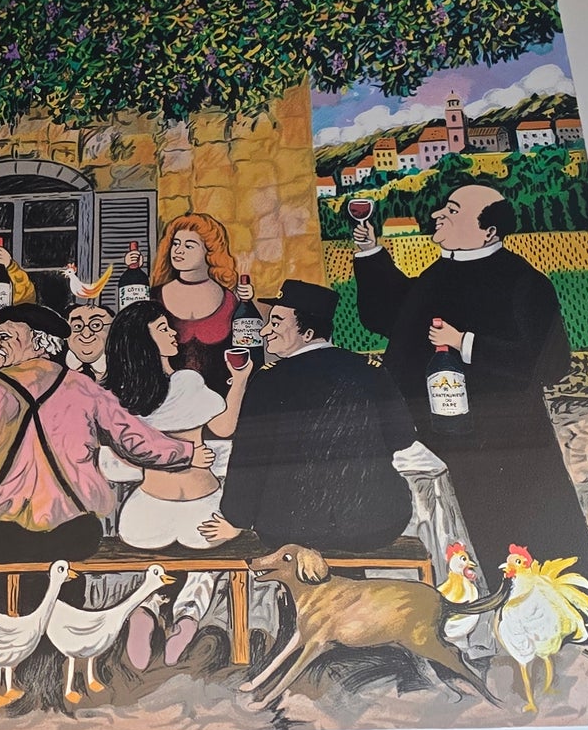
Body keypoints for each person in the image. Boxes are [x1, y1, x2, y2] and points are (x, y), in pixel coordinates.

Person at [351, 183, 588, 641]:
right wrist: (370, 251)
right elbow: (386, 316)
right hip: (432, 433)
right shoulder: (439, 273)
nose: (438, 215)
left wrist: (465, 343)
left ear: (489, 230)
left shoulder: (523, 281)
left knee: (523, 529)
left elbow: (552, 362)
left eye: (453, 210)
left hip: (503, 437)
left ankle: (567, 626)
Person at [0, 303, 206, 564]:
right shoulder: (83, 388)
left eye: (5, 337)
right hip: (72, 533)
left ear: (40, 342)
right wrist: (187, 452)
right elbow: (134, 440)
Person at [201, 280, 417, 555]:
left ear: (308, 332)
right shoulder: (370, 370)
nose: (265, 331)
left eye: (276, 323)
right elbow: (403, 436)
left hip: (288, 531)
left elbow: (249, 459)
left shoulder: (268, 380)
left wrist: (236, 520)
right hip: (375, 525)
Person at [100, 302, 252, 667]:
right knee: (204, 568)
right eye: (163, 328)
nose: (173, 334)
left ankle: (147, 608)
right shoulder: (186, 382)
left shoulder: (121, 397)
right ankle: (188, 616)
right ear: (144, 340)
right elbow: (224, 427)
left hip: (146, 514)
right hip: (203, 506)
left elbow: (123, 455)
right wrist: (241, 379)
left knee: (153, 565)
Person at [150, 211, 239, 392]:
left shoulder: (229, 300)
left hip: (219, 399)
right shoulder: (154, 297)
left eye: (189, 246)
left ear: (210, 252)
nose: (178, 250)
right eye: (176, 243)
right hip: (166, 398)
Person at [64, 294, 114, 382]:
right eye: (77, 326)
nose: (86, 335)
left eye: (96, 325)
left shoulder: (123, 367)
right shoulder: (54, 368)